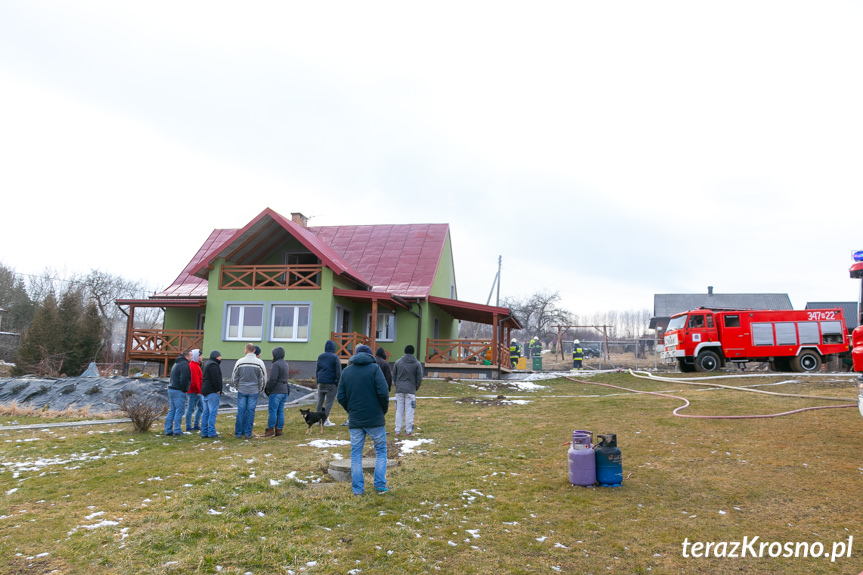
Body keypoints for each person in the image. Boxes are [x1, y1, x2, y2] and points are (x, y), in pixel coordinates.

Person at [337, 344, 389, 495]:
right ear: (370, 355)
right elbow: (383, 392)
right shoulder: (375, 369)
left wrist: (351, 410)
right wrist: (382, 410)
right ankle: (380, 485)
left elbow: (341, 396)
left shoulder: (346, 371)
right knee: (380, 451)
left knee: (356, 454)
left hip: (355, 420)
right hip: (375, 419)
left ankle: (358, 489)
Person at [232, 342, 267, 438]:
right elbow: (263, 378)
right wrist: (260, 389)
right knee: (251, 411)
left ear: (246, 350)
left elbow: (235, 377)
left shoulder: (240, 362)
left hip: (242, 389)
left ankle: (238, 433)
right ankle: (248, 433)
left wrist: (237, 387)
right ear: (254, 350)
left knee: (241, 411)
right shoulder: (259, 363)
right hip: (254, 390)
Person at [392, 344, 423, 436]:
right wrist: (415, 387)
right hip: (410, 389)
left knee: (399, 410)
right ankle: (408, 431)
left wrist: (396, 385)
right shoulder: (417, 363)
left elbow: (394, 375)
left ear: (405, 351)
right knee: (410, 411)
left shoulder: (398, 362)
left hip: (399, 389)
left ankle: (397, 430)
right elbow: (419, 377)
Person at [164, 350, 191, 436]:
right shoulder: (184, 365)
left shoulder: (176, 363)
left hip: (171, 389)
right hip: (178, 390)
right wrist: (184, 389)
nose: (192, 357)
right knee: (179, 410)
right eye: (191, 355)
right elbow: (184, 378)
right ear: (186, 356)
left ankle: (168, 429)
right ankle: (177, 430)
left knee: (172, 410)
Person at [315, 340, 342, 427]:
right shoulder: (335, 357)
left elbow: (317, 369)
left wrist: (318, 380)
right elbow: (338, 371)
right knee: (329, 402)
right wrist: (338, 382)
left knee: (320, 401)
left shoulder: (320, 356)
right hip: (331, 382)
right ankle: (324, 419)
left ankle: (316, 419)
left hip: (321, 381)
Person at [264, 346, 290, 437]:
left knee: (273, 411)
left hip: (276, 391)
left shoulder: (276, 364)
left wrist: (268, 389)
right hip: (284, 390)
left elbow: (273, 379)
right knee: (280, 411)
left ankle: (270, 429)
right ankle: (279, 430)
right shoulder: (285, 364)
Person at [201, 350, 223, 438]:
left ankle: (204, 432)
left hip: (205, 391)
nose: (221, 358)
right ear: (216, 357)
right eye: (219, 356)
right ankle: (211, 432)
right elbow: (216, 379)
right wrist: (218, 389)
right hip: (212, 392)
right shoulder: (214, 365)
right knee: (212, 413)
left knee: (206, 413)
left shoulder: (207, 364)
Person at [185, 349, 204, 432]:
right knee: (191, 408)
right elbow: (194, 380)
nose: (202, 357)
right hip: (194, 391)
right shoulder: (193, 366)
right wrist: (197, 391)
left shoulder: (196, 365)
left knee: (201, 407)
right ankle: (188, 426)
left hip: (197, 391)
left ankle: (196, 424)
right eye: (200, 355)